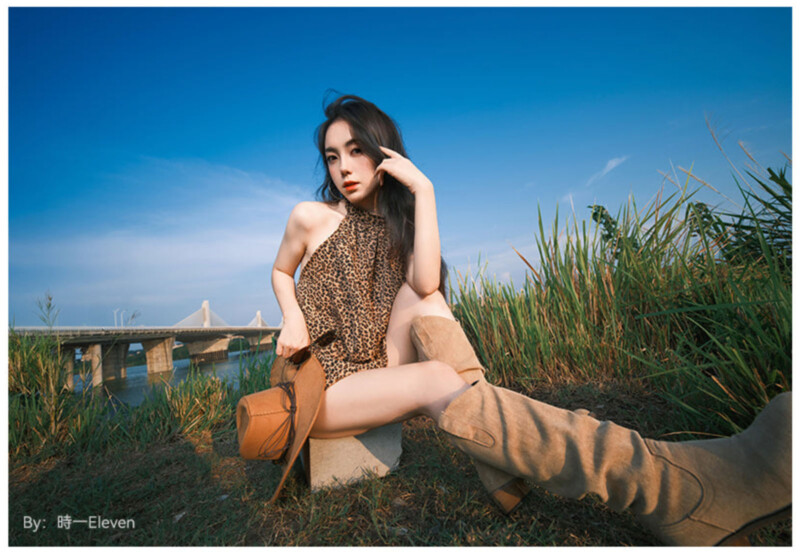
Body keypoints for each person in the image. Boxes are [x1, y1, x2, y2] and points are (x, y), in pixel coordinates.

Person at [270, 94, 791, 546]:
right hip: (323, 382)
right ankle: (675, 489)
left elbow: (426, 285)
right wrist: (291, 317)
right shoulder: (310, 217)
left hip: (377, 364)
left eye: (357, 150)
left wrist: (424, 193)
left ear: (383, 151)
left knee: (428, 301)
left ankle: (508, 464)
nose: (343, 166)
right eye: (333, 156)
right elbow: (280, 271)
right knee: (438, 377)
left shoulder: (394, 225)